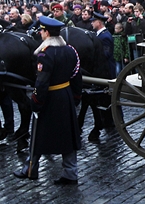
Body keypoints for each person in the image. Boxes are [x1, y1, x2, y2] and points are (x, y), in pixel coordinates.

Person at [13, 16, 82, 184]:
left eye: (42, 31)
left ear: (46, 33)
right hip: (65, 95)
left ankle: (31, 167)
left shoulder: (45, 54)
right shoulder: (70, 50)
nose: (41, 34)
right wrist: (76, 96)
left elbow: (42, 82)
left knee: (39, 135)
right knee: (68, 135)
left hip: (51, 98)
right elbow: (76, 76)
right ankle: (70, 172)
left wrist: (35, 101)